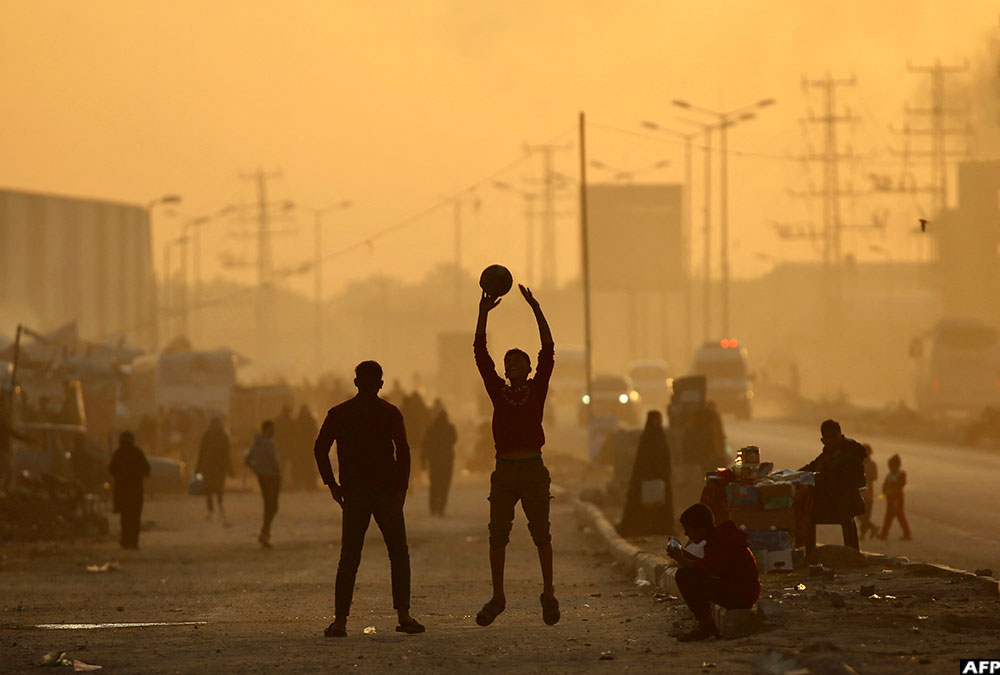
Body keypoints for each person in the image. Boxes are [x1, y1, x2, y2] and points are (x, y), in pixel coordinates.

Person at [313, 360, 424, 638]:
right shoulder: (390, 413)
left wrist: (332, 485)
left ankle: (340, 622)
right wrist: (402, 489)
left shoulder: (339, 414)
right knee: (398, 553)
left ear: (355, 383)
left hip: (355, 493)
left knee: (349, 557)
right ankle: (404, 615)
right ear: (381, 384)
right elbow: (404, 452)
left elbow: (319, 449)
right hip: (386, 493)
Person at [473, 284, 559, 627]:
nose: (512, 364)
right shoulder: (499, 392)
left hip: (533, 468)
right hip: (506, 470)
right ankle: (498, 596)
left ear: (527, 367)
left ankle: (549, 593)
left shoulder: (536, 389)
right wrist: (482, 313)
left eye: (518, 360)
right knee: (498, 535)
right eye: (508, 362)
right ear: (506, 371)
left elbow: (548, 350)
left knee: (542, 534)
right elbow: (480, 354)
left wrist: (536, 308)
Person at [667, 503, 760, 642]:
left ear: (700, 528)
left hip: (741, 594)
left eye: (688, 529)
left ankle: (707, 628)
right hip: (740, 589)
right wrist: (684, 555)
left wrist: (681, 558)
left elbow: (706, 569)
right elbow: (709, 565)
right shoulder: (718, 537)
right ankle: (706, 627)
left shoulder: (722, 540)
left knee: (684, 576)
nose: (686, 534)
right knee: (687, 574)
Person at [800, 419, 867, 552]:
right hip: (834, 499)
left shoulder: (850, 453)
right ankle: (810, 554)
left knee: (806, 512)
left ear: (841, 436)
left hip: (846, 502)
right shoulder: (828, 453)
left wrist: (819, 478)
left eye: (834, 437)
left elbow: (837, 479)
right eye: (828, 438)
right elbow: (813, 466)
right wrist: (792, 475)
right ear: (823, 440)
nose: (832, 441)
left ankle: (810, 554)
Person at [617, 410, 674, 537]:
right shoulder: (647, 438)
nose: (658, 423)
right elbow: (642, 460)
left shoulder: (661, 436)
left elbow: (665, 457)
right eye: (655, 420)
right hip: (646, 476)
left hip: (661, 476)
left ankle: (661, 528)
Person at [108, 431, 151, 550]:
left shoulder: (118, 453)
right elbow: (147, 469)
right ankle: (134, 542)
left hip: (122, 492)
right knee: (135, 517)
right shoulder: (137, 453)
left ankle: (126, 541)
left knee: (125, 518)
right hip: (136, 491)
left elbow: (111, 469)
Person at [245, 420, 281, 548]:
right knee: (273, 506)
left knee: (268, 505)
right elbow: (274, 461)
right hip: (272, 477)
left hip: (262, 477)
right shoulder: (268, 443)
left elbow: (247, 460)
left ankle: (265, 533)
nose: (273, 432)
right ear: (266, 430)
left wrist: (257, 470)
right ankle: (265, 532)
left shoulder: (257, 443)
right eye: (272, 429)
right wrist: (279, 472)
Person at [196, 417, 233, 523]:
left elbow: (226, 454)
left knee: (219, 489)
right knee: (208, 489)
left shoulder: (221, 436)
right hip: (209, 467)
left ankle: (219, 506)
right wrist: (198, 467)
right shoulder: (207, 436)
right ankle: (211, 510)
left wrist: (230, 468)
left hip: (218, 467)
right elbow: (201, 452)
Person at [422, 405, 457, 516]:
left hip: (434, 461)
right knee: (444, 485)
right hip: (447, 460)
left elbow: (426, 444)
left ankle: (433, 508)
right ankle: (441, 508)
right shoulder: (450, 428)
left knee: (434, 484)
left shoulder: (431, 428)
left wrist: (423, 460)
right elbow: (454, 440)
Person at [878, 453, 911, 541]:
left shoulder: (901, 474)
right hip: (890, 498)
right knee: (888, 516)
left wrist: (891, 487)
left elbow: (901, 485)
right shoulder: (889, 475)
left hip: (898, 498)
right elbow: (884, 485)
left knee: (900, 516)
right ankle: (884, 534)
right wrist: (884, 491)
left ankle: (907, 534)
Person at [293, 405, 319, 491]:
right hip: (308, 446)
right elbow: (315, 431)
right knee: (309, 466)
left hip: (301, 447)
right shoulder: (310, 419)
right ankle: (310, 485)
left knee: (302, 466)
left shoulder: (298, 420)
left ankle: (302, 484)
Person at [858, 443, 879, 540]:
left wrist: (866, 477)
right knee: (859, 514)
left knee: (866, 516)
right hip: (859, 492)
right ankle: (873, 527)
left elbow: (875, 476)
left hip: (869, 494)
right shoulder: (859, 463)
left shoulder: (872, 464)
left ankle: (863, 534)